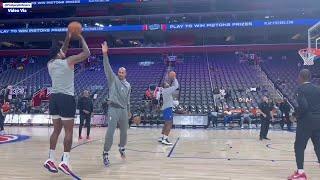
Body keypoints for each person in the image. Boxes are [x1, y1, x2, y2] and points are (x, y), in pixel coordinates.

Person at [43, 32, 90, 175]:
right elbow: (87, 53)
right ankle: (65, 161)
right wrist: (81, 37)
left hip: (54, 98)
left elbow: (62, 49)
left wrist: (68, 38)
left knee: (56, 131)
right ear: (59, 53)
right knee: (68, 131)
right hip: (66, 98)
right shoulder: (69, 61)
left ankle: (50, 159)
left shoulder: (50, 64)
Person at [101, 41, 131, 167]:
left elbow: (128, 99)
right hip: (113, 108)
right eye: (119, 72)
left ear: (125, 74)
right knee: (110, 132)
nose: (120, 73)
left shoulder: (129, 85)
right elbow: (107, 66)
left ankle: (122, 148)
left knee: (124, 132)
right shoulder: (113, 80)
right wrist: (105, 54)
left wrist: (129, 110)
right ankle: (105, 153)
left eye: (122, 72)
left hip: (123, 110)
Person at [288, 69, 320, 180]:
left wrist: (295, 116)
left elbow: (304, 107)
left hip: (306, 122)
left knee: (299, 146)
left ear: (300, 77)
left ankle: (301, 173)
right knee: (318, 147)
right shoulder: (318, 89)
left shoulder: (300, 89)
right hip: (318, 121)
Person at [158, 74, 179, 145]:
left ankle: (161, 137)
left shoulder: (164, 91)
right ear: (164, 86)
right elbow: (176, 86)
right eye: (166, 83)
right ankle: (165, 139)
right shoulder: (167, 90)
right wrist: (174, 78)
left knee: (166, 123)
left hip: (166, 108)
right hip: (167, 108)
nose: (167, 83)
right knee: (169, 124)